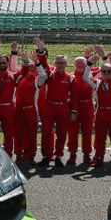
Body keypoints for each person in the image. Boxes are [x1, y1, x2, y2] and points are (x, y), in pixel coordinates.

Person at [36, 38, 74, 167]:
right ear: (55, 63)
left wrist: (73, 110)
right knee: (46, 132)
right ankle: (46, 156)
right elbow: (44, 64)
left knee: (62, 133)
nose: (60, 65)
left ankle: (58, 156)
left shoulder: (70, 78)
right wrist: (41, 50)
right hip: (49, 106)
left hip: (63, 108)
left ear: (66, 64)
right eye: (58, 63)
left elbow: (74, 96)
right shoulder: (50, 75)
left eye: (62, 63)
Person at [12, 52, 43, 165]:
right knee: (18, 133)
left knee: (32, 134)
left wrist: (38, 63)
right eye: (30, 66)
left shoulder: (37, 80)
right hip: (19, 109)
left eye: (33, 67)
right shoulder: (19, 77)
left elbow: (44, 75)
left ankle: (31, 155)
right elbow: (12, 68)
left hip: (31, 109)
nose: (31, 69)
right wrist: (21, 58)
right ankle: (19, 154)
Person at [67, 55, 95, 166]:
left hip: (87, 106)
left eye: (82, 62)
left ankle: (87, 155)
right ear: (74, 64)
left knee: (87, 132)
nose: (80, 64)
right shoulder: (70, 76)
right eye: (78, 62)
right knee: (72, 132)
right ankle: (72, 154)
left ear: (86, 64)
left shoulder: (90, 75)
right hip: (74, 107)